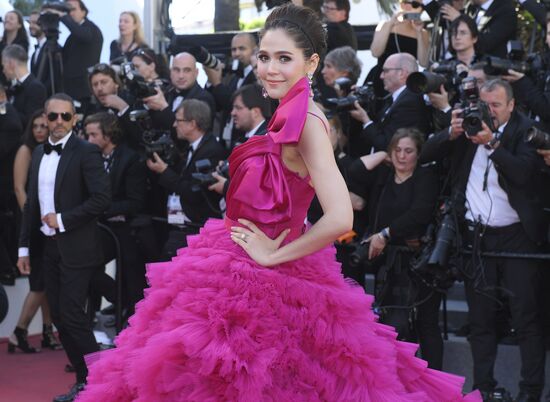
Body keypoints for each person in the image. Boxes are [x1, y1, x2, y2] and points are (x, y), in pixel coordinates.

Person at [77, 4, 481, 401]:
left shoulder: (306, 122)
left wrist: (275, 254)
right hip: (235, 258)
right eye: (264, 56)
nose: (269, 68)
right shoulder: (287, 113)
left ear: (310, 64)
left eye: (283, 58)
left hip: (262, 269)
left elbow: (340, 216)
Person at [420, 79, 546, 402]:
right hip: (478, 239)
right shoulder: (470, 126)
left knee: (526, 318)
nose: (488, 111)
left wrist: (492, 144)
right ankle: (483, 388)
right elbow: (426, 153)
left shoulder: (525, 131)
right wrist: (451, 132)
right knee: (480, 320)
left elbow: (523, 174)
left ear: (512, 105)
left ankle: (530, 392)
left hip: (518, 237)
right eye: (485, 104)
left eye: (495, 106)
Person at [17, 93, 111, 402]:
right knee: (58, 316)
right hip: (48, 249)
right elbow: (31, 205)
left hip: (78, 247)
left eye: (65, 117)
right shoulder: (40, 154)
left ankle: (98, 379)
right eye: (53, 116)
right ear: (44, 117)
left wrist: (63, 219)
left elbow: (101, 199)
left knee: (72, 316)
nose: (58, 122)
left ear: (75, 119)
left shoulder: (86, 152)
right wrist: (23, 249)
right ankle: (86, 379)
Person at [348, 128, 443, 370]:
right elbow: (354, 171)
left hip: (419, 263)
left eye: (408, 151)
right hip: (389, 265)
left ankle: (434, 384)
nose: (402, 156)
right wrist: (381, 154)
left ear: (418, 154)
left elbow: (419, 213)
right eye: (397, 150)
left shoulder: (425, 177)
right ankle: (401, 380)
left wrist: (386, 234)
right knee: (393, 323)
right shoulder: (384, 176)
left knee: (425, 323)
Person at [146, 99, 226, 261]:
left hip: (198, 230)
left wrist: (165, 171)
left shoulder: (211, 151)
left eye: (178, 120)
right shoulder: (190, 147)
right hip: (183, 226)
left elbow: (194, 192)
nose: (174, 125)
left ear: (192, 124)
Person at [9, 109, 62, 354]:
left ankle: (47, 332)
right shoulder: (26, 151)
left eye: (44, 125)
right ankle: (20, 331)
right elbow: (19, 190)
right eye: (36, 126)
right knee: (39, 281)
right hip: (33, 224)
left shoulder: (51, 153)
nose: (41, 130)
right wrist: (32, 219)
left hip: (50, 224)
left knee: (47, 281)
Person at [350, 52, 432, 154]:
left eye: (385, 71)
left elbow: (388, 144)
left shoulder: (409, 102)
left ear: (402, 73)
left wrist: (365, 120)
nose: (381, 76)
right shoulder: (397, 97)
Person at [43, 0, 103, 107]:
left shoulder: (91, 29)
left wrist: (63, 17)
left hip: (83, 91)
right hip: (69, 90)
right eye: (67, 10)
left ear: (84, 12)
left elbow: (84, 36)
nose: (70, 13)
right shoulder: (72, 36)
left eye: (73, 9)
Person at [368, 0, 429, 96]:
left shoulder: (423, 33)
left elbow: (424, 62)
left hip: (406, 80)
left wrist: (419, 33)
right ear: (403, 5)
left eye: (423, 6)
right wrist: (390, 25)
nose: (420, 9)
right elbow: (376, 52)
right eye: (415, 5)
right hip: (383, 76)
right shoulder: (385, 25)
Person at [143, 52, 216, 131]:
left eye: (187, 70)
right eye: (176, 70)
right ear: (171, 72)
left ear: (196, 73)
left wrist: (163, 107)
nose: (181, 76)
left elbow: (190, 133)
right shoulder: (166, 93)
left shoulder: (204, 99)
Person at [2, 44, 47, 128]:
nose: (3, 70)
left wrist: (3, 105)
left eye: (3, 66)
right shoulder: (14, 87)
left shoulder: (35, 88)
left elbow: (30, 120)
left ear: (11, 64)